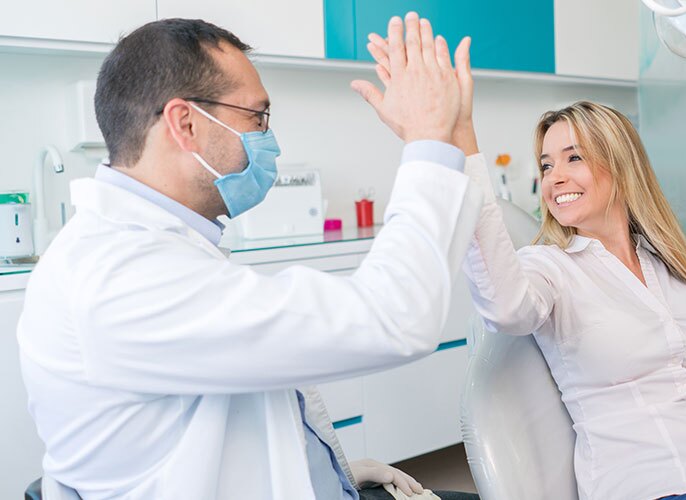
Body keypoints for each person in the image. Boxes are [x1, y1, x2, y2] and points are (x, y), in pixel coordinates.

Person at [17, 14, 481, 500]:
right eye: (256, 117)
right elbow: (392, 317)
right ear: (185, 123)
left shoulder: (159, 247)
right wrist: (429, 139)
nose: (267, 137)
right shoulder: (118, 275)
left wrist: (331, 469)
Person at [362, 34, 686, 497]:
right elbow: (505, 306)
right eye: (547, 165)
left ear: (622, 166)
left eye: (575, 158)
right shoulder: (552, 270)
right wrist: (461, 140)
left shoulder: (679, 267)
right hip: (660, 485)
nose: (556, 178)